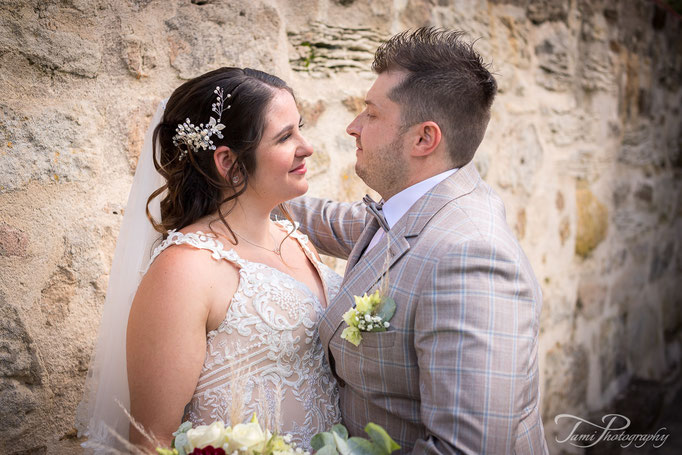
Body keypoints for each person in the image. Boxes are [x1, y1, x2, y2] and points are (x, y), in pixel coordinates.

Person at [282, 28, 549, 453]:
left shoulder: (470, 257)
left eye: (370, 113)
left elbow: (467, 449)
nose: (353, 127)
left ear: (424, 138)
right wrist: (249, 188)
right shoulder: (421, 206)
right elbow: (336, 222)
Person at [76, 67, 341, 452]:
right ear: (229, 163)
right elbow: (152, 440)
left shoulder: (294, 239)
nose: (307, 146)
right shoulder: (186, 268)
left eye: (300, 128)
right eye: (285, 136)